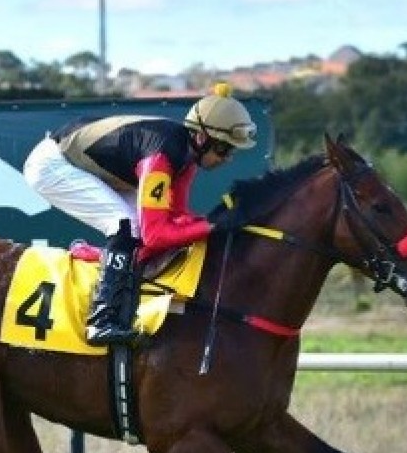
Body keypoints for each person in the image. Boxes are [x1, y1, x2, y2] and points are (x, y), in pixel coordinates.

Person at [22, 83, 257, 345]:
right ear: (201, 138)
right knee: (126, 225)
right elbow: (156, 235)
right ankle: (102, 321)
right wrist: (213, 225)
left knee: (139, 229)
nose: (227, 158)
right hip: (53, 165)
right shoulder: (161, 157)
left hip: (90, 161)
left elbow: (177, 217)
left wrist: (213, 222)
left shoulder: (186, 158)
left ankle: (100, 258)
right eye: (223, 149)